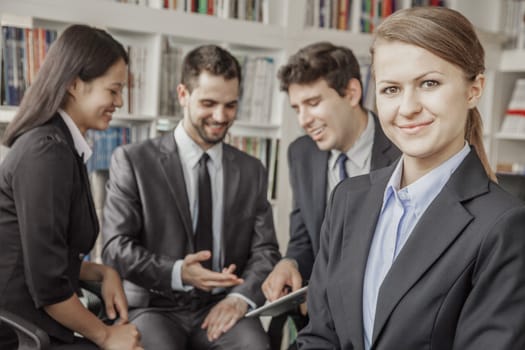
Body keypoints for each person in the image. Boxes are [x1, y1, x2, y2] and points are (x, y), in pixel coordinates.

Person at [297, 6, 525, 350]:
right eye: (390, 89)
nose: (407, 107)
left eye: (429, 83)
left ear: (474, 89)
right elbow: (319, 336)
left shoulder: (504, 225)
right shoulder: (348, 199)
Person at [101, 44, 281, 350]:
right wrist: (177, 272)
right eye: (209, 103)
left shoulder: (252, 170)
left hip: (222, 306)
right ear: (183, 94)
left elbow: (265, 251)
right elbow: (115, 249)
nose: (220, 116)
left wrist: (239, 299)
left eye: (230, 105)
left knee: (256, 346)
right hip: (154, 306)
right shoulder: (133, 160)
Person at [0, 25, 142, 350]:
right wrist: (106, 336)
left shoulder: (61, 146)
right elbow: (48, 285)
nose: (119, 101)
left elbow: (43, 257)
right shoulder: (45, 152)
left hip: (36, 323)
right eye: (113, 90)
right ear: (75, 85)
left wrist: (102, 273)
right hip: (21, 334)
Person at [261, 41, 400, 335]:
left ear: (351, 92)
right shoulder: (301, 153)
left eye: (313, 103)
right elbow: (303, 235)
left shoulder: (403, 151)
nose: (303, 121)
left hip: (385, 313)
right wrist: (289, 262)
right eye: (297, 108)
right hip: (320, 317)